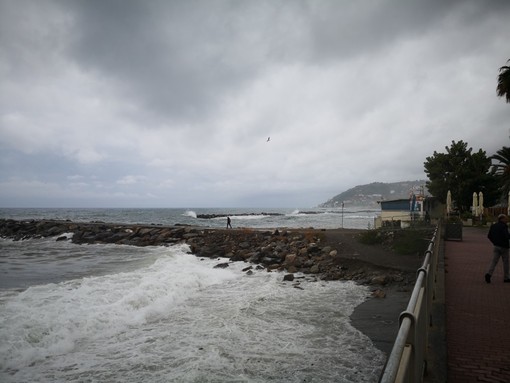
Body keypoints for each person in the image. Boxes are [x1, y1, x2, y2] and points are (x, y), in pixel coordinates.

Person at [485, 214, 510, 283]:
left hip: (496, 246)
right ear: (502, 219)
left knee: (494, 261)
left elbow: (489, 236)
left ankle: (489, 274)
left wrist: (494, 242)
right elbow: (506, 236)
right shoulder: (504, 226)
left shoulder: (493, 226)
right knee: (506, 262)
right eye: (505, 218)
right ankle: (506, 278)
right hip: (504, 247)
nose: (507, 220)